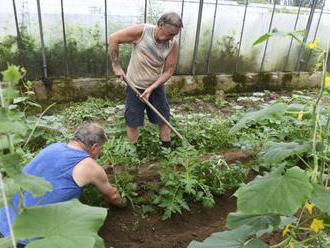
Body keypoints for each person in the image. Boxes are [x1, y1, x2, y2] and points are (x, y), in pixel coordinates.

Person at [0, 122, 125, 246]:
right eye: (101, 149)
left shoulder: (54, 147)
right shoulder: (90, 167)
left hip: (5, 219)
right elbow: (112, 195)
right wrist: (123, 205)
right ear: (95, 147)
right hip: (31, 237)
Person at [110, 12, 183, 148]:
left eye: (174, 35)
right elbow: (114, 38)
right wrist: (116, 65)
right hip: (134, 85)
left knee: (164, 118)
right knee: (133, 121)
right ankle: (134, 153)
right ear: (160, 25)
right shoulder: (142, 32)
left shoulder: (172, 44)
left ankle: (166, 151)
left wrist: (151, 88)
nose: (171, 38)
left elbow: (169, 71)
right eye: (169, 33)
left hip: (155, 87)